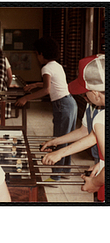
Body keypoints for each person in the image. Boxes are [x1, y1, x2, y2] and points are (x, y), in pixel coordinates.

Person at [41, 54, 105, 201]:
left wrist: (94, 183)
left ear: (95, 93)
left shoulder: (101, 118)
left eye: (85, 93)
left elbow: (93, 135)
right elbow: (87, 132)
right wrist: (56, 143)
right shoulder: (96, 110)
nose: (84, 97)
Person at [15, 36, 77, 181]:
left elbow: (46, 90)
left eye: (37, 54)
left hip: (62, 105)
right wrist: (35, 85)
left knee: (59, 139)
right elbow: (53, 83)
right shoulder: (56, 65)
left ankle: (55, 176)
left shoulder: (45, 68)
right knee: (66, 138)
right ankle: (64, 171)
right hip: (70, 103)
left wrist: (26, 98)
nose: (37, 57)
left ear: (42, 53)